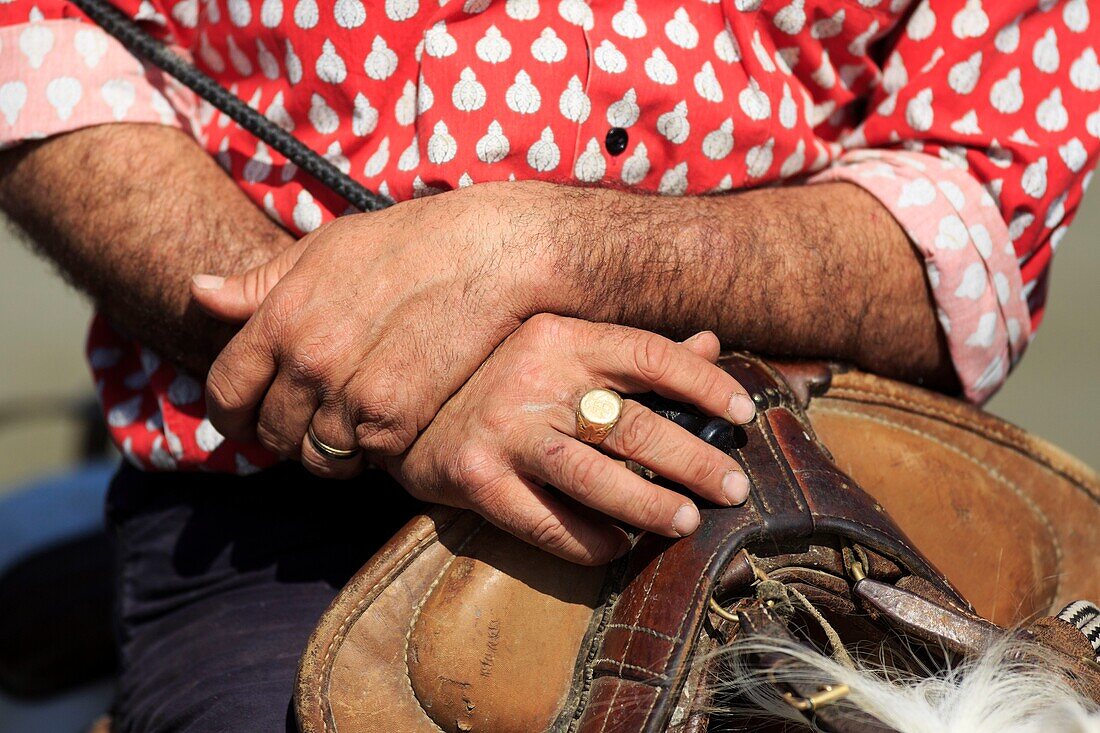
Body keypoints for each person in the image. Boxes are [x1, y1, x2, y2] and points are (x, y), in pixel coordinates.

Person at [0, 0, 1095, 730]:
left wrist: (553, 248)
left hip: (815, 463)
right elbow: (37, 37)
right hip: (292, 494)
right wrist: (393, 373)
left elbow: (973, 199)